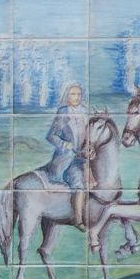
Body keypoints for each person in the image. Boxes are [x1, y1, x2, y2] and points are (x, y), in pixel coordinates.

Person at [46, 83, 89, 223]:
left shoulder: (85, 112)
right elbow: (51, 136)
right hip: (69, 158)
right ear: (67, 96)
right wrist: (64, 144)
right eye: (73, 94)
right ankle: (78, 219)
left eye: (78, 94)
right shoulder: (63, 112)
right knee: (79, 182)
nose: (76, 97)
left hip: (86, 157)